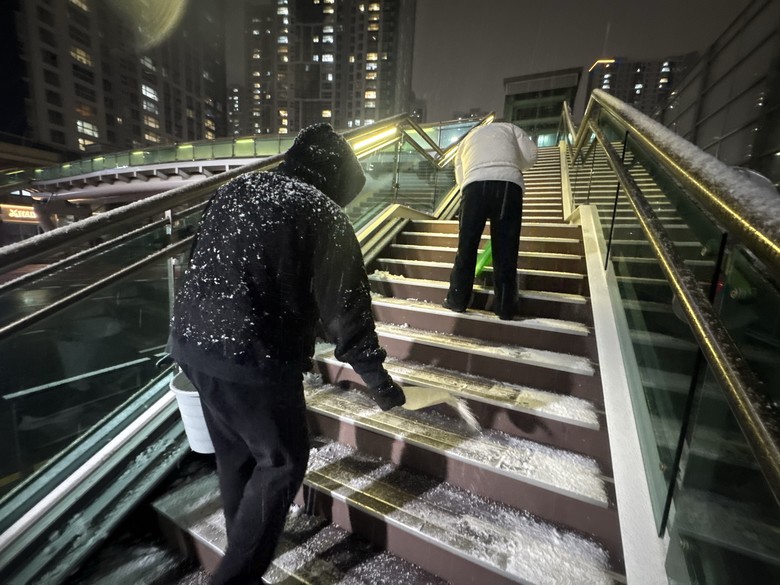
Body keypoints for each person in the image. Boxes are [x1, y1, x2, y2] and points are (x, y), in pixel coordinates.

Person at [167, 123, 405, 584]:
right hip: (252, 355)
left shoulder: (239, 188)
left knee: (236, 453)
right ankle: (236, 577)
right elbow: (347, 309)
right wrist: (380, 382)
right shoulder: (323, 212)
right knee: (283, 460)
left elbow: (206, 260)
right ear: (337, 181)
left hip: (192, 343)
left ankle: (241, 553)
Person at [443, 121, 538, 320]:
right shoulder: (510, 128)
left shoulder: (469, 136)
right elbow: (531, 155)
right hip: (507, 186)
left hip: (474, 186)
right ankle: (505, 307)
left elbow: (459, 168)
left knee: (466, 247)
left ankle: (457, 300)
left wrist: (468, 187)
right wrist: (512, 163)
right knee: (506, 250)